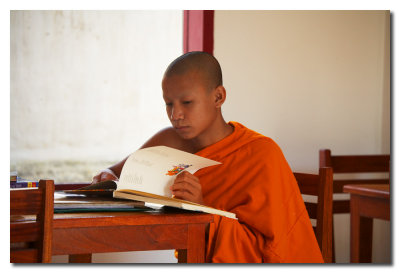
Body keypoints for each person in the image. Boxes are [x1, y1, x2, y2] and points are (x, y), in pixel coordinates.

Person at [92, 51, 324, 263]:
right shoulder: (168, 141)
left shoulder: (262, 154)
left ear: (218, 97)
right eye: (168, 104)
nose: (176, 115)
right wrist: (106, 177)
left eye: (187, 102)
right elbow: (114, 173)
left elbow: (272, 248)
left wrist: (201, 211)